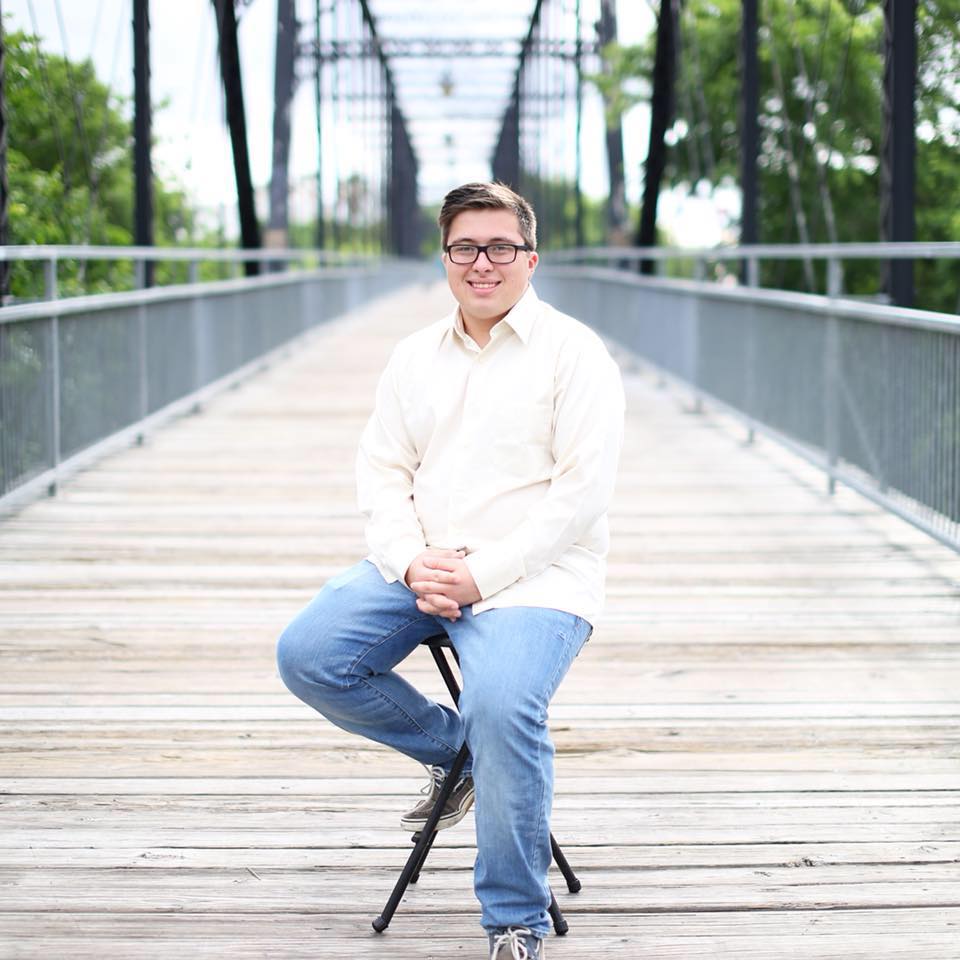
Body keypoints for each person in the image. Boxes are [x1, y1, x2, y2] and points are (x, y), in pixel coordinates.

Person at [277, 181, 625, 960]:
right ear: (444, 260)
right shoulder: (413, 357)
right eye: (466, 247)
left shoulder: (576, 355)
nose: (482, 262)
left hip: (536, 579)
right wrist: (409, 559)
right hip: (425, 563)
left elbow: (580, 496)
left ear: (530, 259)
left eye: (501, 247)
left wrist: (485, 574)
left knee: (504, 707)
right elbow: (382, 469)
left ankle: (512, 921)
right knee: (309, 655)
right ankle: (458, 756)